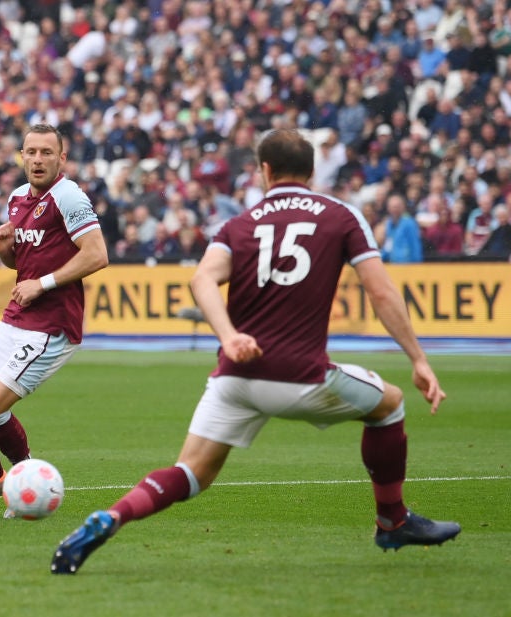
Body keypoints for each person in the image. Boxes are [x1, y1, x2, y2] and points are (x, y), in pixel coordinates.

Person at [51, 129, 460, 574]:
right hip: (301, 377)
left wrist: (227, 336)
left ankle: (112, 516)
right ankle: (392, 520)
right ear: (312, 170)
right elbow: (380, 292)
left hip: (234, 377)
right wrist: (418, 358)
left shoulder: (239, 224)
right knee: (390, 405)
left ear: (264, 170)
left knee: (191, 473)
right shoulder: (341, 216)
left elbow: (201, 280)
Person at [0, 124, 108, 516]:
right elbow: (20, 264)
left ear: (62, 158)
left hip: (53, 324)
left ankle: (28, 483)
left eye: (46, 153)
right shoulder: (18, 197)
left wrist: (44, 283)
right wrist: (4, 249)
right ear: (21, 156)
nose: (38, 160)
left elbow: (97, 254)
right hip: (18, 316)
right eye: (31, 152)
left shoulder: (69, 196)